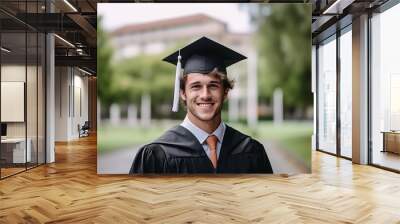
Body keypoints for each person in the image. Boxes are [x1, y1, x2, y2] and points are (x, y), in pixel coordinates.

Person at [129, 36, 273, 174]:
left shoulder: (251, 150)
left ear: (226, 92)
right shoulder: (157, 155)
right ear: (183, 93)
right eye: (196, 86)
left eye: (213, 86)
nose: (205, 95)